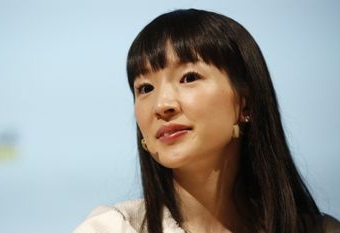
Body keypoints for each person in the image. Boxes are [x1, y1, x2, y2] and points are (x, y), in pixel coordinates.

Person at [74, 9, 340, 233]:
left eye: (189, 77)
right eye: (144, 88)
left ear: (245, 103)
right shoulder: (114, 228)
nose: (162, 105)